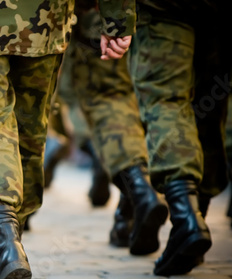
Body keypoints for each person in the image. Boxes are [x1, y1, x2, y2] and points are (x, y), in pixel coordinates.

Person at [0, 0, 135, 279]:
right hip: (44, 16)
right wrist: (116, 19)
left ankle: (5, 244)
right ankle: (7, 249)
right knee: (28, 132)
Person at [127, 0, 232, 276]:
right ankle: (197, 217)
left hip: (163, 8)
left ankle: (187, 220)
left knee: (166, 100)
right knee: (211, 106)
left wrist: (115, 20)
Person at [65, 1, 168, 250]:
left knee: (108, 99)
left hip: (108, 10)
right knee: (162, 102)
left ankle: (141, 191)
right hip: (175, 15)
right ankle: (128, 216)